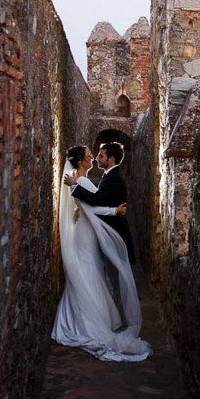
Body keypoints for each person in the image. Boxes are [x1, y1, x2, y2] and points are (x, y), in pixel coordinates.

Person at [51, 145, 150, 362]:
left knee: (90, 272)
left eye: (98, 155)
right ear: (80, 161)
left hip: (85, 231)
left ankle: (80, 318)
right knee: (89, 273)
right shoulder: (81, 181)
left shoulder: (82, 180)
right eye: (90, 155)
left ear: (111, 159)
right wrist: (114, 210)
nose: (94, 158)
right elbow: (93, 207)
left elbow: (88, 204)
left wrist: (78, 201)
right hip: (86, 233)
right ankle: (89, 322)